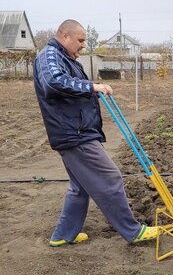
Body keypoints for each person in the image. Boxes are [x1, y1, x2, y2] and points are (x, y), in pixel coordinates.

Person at [33, 19, 158, 247]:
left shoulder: (65, 58)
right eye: (80, 40)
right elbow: (53, 83)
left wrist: (92, 87)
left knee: (80, 187)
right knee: (110, 177)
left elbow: (71, 84)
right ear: (65, 37)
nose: (83, 45)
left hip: (77, 131)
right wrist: (92, 87)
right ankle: (133, 231)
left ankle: (63, 235)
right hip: (74, 134)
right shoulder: (49, 55)